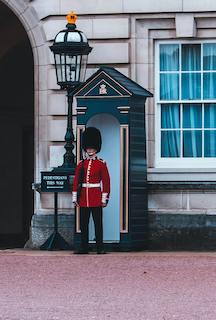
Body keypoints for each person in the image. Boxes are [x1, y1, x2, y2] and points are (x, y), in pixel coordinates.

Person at [72, 127, 110, 254]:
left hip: (96, 197)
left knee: (98, 224)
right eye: (88, 148)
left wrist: (104, 199)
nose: (90, 150)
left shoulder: (101, 164)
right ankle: (84, 247)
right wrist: (75, 197)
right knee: (84, 225)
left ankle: (100, 247)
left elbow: (106, 182)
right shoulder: (81, 164)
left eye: (92, 148)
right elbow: (76, 181)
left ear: (96, 149)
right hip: (83, 198)